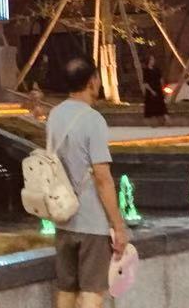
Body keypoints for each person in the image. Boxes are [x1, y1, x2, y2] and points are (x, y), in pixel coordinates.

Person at [45, 55, 130, 308]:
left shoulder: (54, 115)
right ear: (92, 81)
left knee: (66, 290)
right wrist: (118, 226)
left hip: (63, 217)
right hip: (91, 222)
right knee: (93, 292)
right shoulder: (93, 120)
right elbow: (103, 178)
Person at [142, 53, 167, 123]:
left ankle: (163, 119)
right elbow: (145, 83)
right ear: (148, 61)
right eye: (151, 60)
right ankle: (153, 120)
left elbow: (161, 79)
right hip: (150, 90)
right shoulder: (146, 70)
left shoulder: (157, 69)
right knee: (151, 106)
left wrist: (162, 88)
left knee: (161, 104)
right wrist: (151, 91)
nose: (153, 61)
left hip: (158, 88)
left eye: (153, 59)